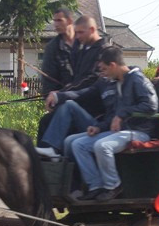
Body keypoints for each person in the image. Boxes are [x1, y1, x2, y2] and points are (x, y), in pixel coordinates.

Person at [70, 47, 158, 201]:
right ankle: (95, 186)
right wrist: (99, 127)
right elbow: (113, 115)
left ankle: (113, 185)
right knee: (78, 144)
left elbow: (151, 106)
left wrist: (122, 114)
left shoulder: (137, 79)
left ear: (112, 65)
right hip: (121, 131)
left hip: (139, 131)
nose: (103, 74)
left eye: (104, 69)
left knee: (102, 146)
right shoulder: (118, 82)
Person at [36, 15, 107, 149]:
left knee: (64, 109)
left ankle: (52, 154)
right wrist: (58, 92)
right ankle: (45, 162)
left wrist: (60, 95)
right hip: (81, 104)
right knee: (45, 121)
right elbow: (75, 79)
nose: (77, 36)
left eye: (80, 32)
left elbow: (90, 81)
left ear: (92, 30)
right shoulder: (83, 50)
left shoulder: (104, 51)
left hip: (95, 112)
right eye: (76, 32)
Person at [40, 8, 76, 97]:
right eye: (54, 21)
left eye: (59, 20)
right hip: (62, 97)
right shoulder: (52, 48)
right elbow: (48, 80)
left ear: (70, 21)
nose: (56, 24)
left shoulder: (83, 42)